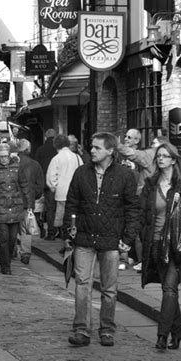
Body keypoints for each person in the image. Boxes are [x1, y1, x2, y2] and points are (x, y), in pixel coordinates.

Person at [63, 132, 140, 347]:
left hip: (111, 239)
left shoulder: (125, 175)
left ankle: (106, 329)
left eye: (97, 148)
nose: (92, 151)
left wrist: (128, 237)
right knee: (82, 284)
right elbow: (72, 204)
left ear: (110, 151)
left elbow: (133, 208)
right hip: (84, 238)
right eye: (92, 147)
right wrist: (69, 233)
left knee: (109, 289)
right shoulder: (81, 173)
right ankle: (81, 330)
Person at [140, 139, 181, 351]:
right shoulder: (150, 185)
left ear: (173, 160)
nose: (160, 159)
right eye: (158, 156)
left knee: (169, 288)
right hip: (156, 244)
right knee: (169, 289)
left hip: (177, 246)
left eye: (164, 156)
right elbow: (142, 214)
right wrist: (142, 236)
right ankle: (177, 333)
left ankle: (162, 335)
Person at [117, 128, 159, 272]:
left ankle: (144, 261)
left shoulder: (148, 156)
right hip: (142, 196)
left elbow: (132, 154)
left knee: (142, 231)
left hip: (143, 197)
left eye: (154, 144)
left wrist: (115, 144)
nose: (152, 146)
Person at [0, 142, 31, 275]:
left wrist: (28, 204)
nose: (4, 159)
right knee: (4, 238)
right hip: (0, 208)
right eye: (1, 156)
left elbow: (24, 184)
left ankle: (8, 259)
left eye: (6, 156)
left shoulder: (17, 167)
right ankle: (5, 265)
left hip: (15, 206)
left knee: (12, 238)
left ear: (9, 155)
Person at [46, 134, 82, 242]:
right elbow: (82, 173)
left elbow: (51, 177)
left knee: (63, 220)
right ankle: (72, 239)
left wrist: (54, 187)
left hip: (61, 193)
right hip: (76, 193)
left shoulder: (56, 159)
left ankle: (65, 240)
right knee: (73, 218)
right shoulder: (77, 157)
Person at [16, 138, 44, 264]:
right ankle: (25, 252)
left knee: (12, 226)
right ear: (28, 149)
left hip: (13, 200)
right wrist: (34, 196)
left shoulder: (13, 163)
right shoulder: (35, 164)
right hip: (28, 201)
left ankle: (11, 249)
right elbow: (40, 185)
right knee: (26, 228)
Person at [34, 129, 58, 240]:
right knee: (56, 208)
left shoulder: (40, 150)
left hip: (44, 183)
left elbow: (37, 167)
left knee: (47, 208)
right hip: (57, 183)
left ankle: (48, 231)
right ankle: (57, 232)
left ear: (45, 137)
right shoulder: (57, 151)